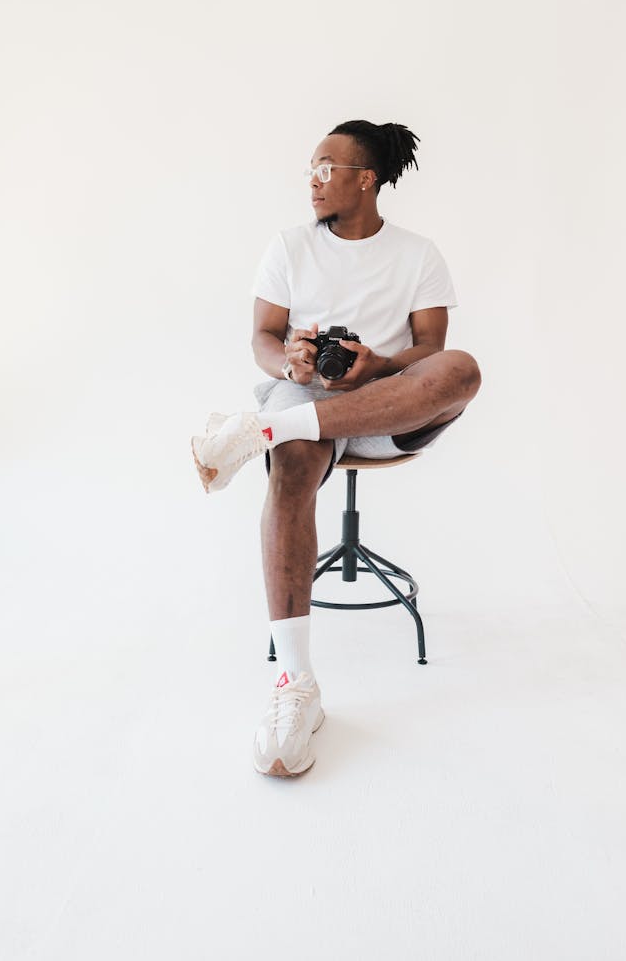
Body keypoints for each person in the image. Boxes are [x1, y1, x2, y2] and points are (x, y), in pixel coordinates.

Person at [191, 120, 481, 778]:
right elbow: (263, 336)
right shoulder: (290, 245)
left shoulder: (418, 253)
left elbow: (430, 353)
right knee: (292, 466)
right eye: (310, 169)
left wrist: (378, 363)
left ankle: (258, 432)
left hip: (384, 402)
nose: (314, 180)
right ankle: (296, 684)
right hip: (303, 400)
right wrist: (292, 362)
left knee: (462, 368)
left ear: (366, 179)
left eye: (327, 167)